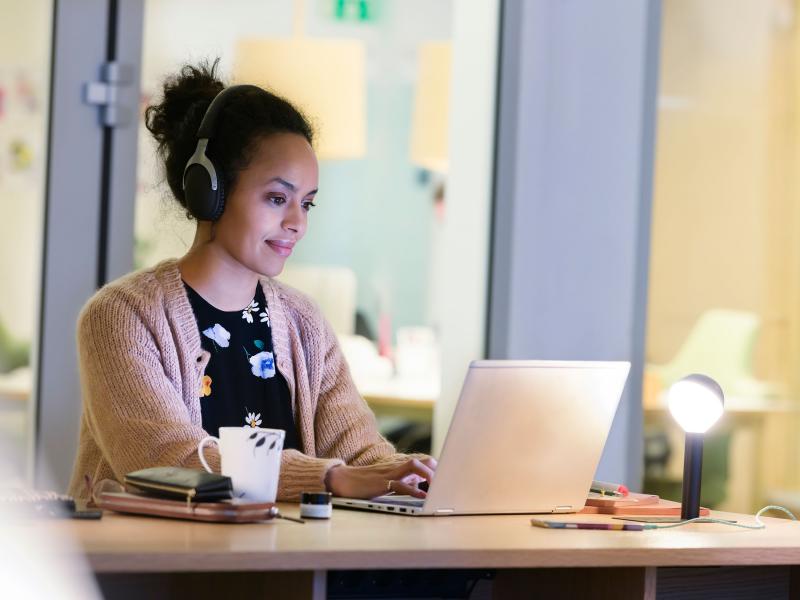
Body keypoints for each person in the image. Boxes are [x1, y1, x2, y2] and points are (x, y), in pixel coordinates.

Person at [67, 60, 436, 502]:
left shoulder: (304, 322)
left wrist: (410, 474)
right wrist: (327, 478)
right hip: (154, 565)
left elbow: (358, 453)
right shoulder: (121, 316)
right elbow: (165, 461)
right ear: (211, 190)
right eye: (277, 198)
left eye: (308, 204)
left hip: (280, 562)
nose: (297, 221)